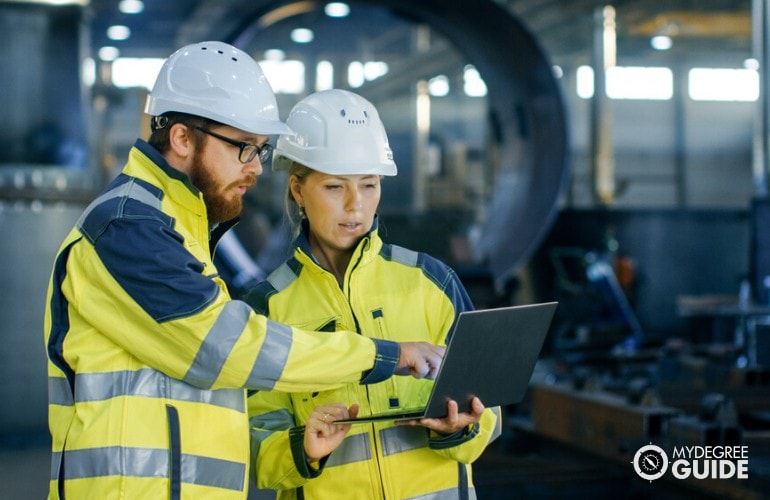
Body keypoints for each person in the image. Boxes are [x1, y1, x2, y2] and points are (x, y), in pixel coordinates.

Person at [42, 42, 444, 500]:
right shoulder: (128, 227)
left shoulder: (179, 228)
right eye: (244, 148)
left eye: (260, 150)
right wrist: (381, 355)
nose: (255, 168)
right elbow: (226, 347)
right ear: (182, 139)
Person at [244, 89, 501, 499]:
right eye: (333, 187)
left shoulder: (432, 282)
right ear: (297, 190)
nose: (355, 205)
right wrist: (304, 450)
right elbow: (256, 446)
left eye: (368, 184)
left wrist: (464, 426)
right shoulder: (267, 308)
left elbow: (490, 408)